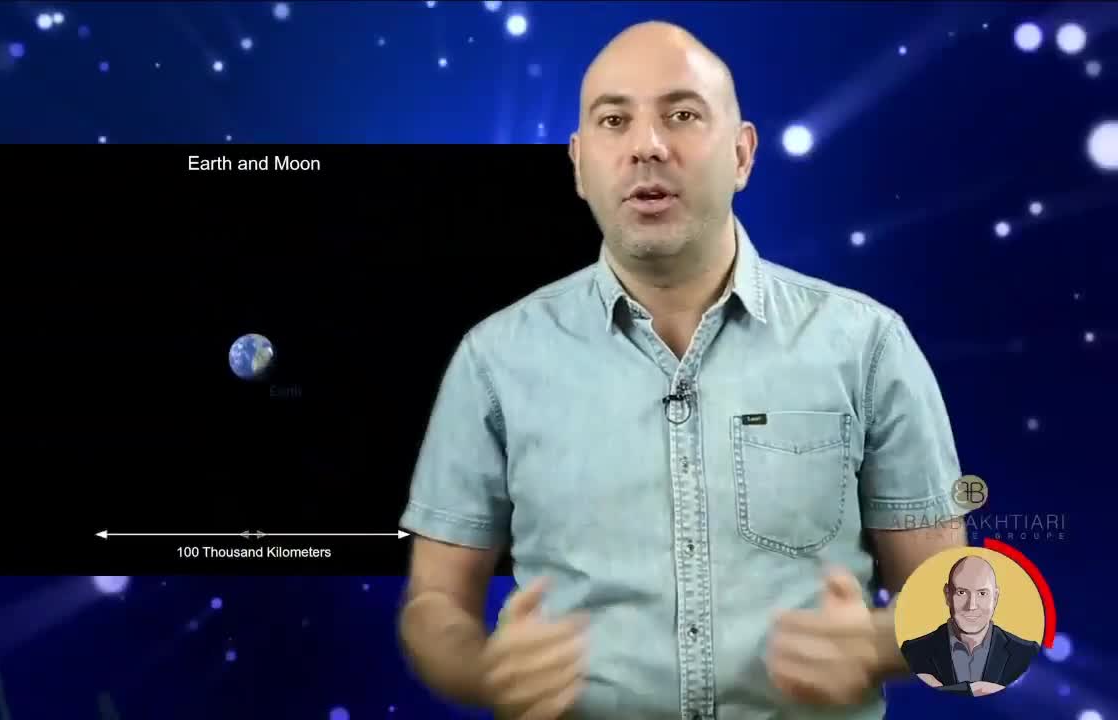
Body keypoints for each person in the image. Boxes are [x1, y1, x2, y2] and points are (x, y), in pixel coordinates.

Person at [396, 19, 969, 720]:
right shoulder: (494, 359)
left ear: (742, 154)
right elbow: (433, 604)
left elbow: (957, 607)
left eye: (682, 115)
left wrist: (880, 644)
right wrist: (482, 670)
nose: (647, 146)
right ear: (578, 164)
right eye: (614, 120)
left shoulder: (867, 345)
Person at [900, 556, 1039, 696]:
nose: (971, 605)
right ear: (947, 595)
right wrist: (972, 690)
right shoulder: (912, 653)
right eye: (961, 592)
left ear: (995, 598)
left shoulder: (1028, 654)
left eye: (982, 593)